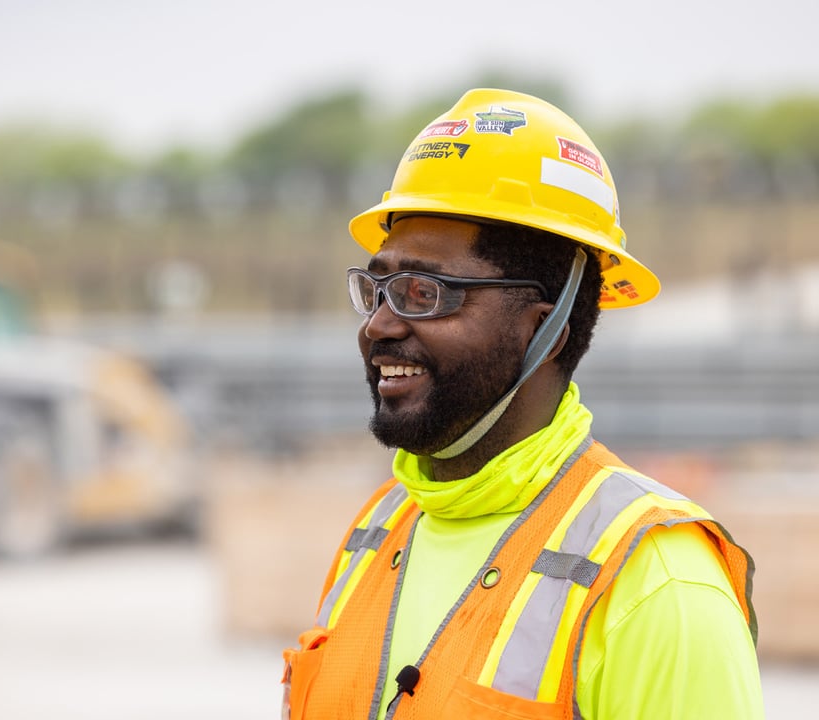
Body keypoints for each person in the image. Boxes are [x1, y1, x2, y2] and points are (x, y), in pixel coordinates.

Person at [282, 88, 763, 720]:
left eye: (424, 291)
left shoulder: (657, 584)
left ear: (546, 328)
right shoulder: (378, 531)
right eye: (376, 289)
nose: (379, 325)